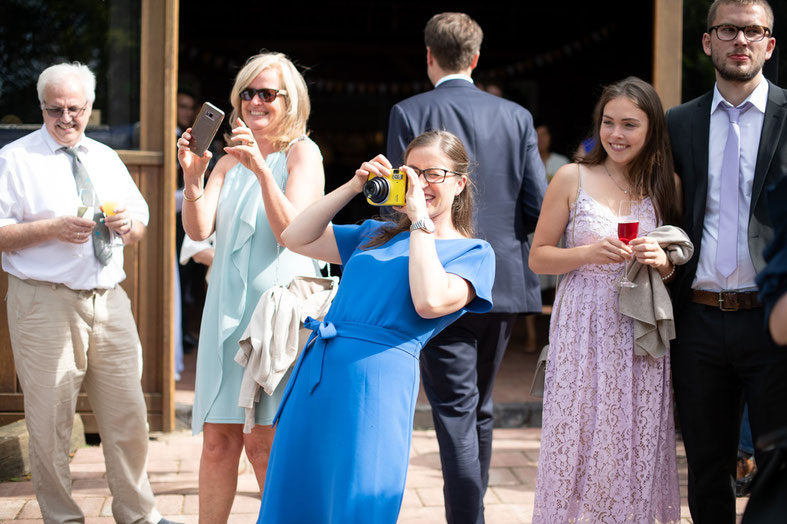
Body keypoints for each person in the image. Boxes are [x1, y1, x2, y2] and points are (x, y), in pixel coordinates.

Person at [257, 129, 495, 523]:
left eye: (432, 174)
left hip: (377, 381)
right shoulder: (374, 233)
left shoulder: (473, 253)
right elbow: (294, 236)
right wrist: (354, 185)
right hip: (318, 374)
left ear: (459, 183)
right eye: (411, 171)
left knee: (359, 496)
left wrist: (420, 220)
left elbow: (430, 300)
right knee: (296, 491)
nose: (419, 183)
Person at [0, 62, 178, 524]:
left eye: (74, 109)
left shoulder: (104, 155)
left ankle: (138, 515)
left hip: (109, 299)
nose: (65, 118)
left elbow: (140, 222)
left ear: (90, 107)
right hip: (44, 300)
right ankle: (62, 518)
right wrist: (51, 229)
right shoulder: (14, 159)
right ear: (40, 107)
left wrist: (127, 226)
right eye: (54, 109)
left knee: (128, 417)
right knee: (50, 423)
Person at [386, 13, 546, 522]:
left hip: (438, 269)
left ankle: (467, 517)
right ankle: (471, 509)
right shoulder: (517, 116)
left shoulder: (409, 111)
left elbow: (398, 202)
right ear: (475, 59)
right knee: (478, 406)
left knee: (455, 413)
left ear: (429, 56)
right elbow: (537, 204)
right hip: (500, 278)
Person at [177, 52, 325, 523]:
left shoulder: (302, 152)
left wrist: (262, 167)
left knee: (264, 443)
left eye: (268, 93)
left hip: (274, 317)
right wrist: (192, 176)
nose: (256, 102)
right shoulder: (226, 161)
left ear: (290, 102)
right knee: (218, 442)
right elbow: (199, 231)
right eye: (248, 93)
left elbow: (294, 231)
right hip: (225, 313)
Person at [529, 76, 683, 523]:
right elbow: (538, 258)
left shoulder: (666, 185)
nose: (616, 134)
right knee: (578, 440)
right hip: (582, 328)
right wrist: (586, 253)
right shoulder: (570, 176)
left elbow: (674, 268)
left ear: (652, 128)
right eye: (608, 122)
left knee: (631, 443)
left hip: (639, 336)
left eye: (630, 125)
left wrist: (662, 262)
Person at [665, 1, 787, 521]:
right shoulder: (678, 123)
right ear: (707, 41)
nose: (741, 39)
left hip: (773, 320)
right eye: (728, 29)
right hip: (698, 317)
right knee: (707, 464)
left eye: (753, 30)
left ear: (769, 43)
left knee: (779, 460)